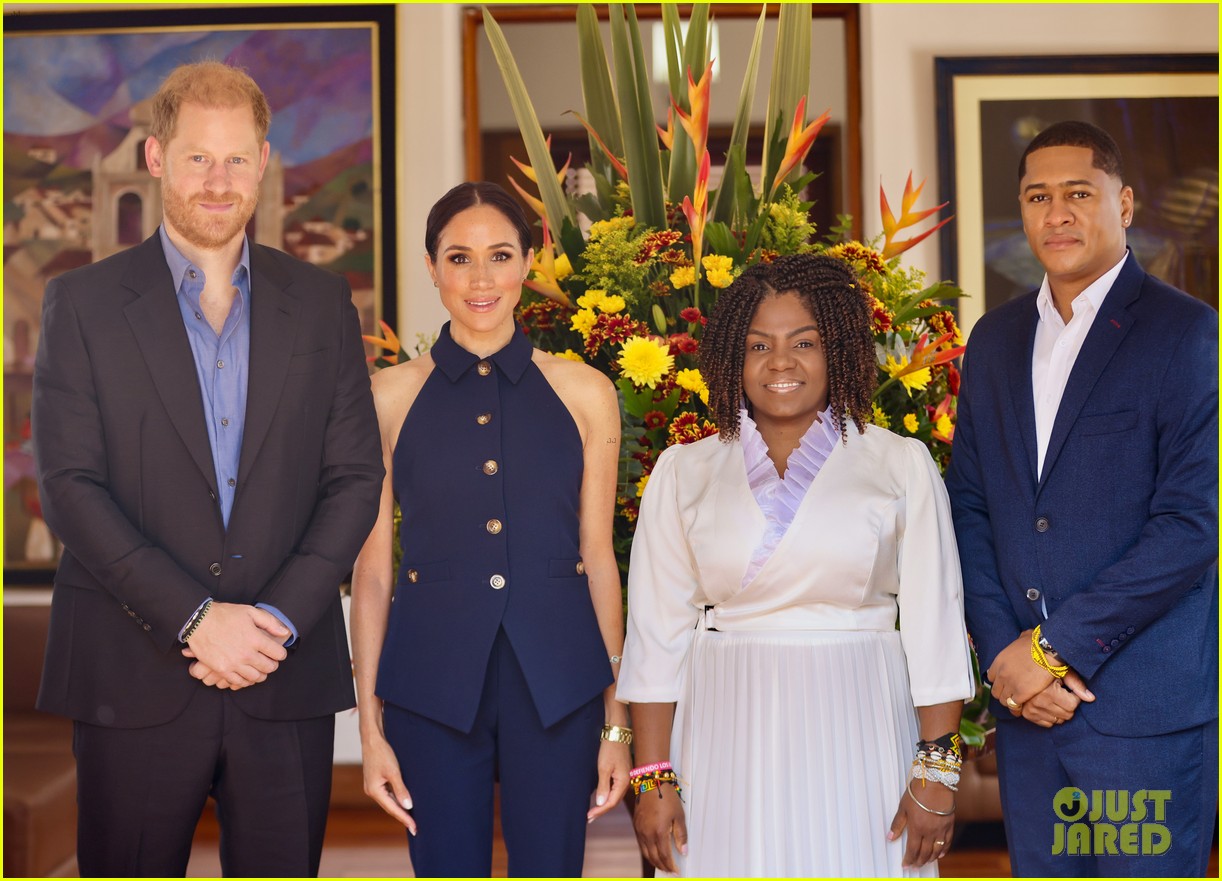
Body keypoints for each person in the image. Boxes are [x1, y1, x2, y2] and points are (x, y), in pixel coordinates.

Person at [30, 61, 384, 876]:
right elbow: (72, 490)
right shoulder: (80, 305)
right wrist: (198, 618)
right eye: (197, 158)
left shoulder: (324, 303)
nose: (217, 181)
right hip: (132, 674)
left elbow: (355, 478)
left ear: (263, 161)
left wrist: (274, 623)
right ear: (156, 159)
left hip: (281, 672)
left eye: (236, 159)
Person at [617, 254, 976, 876]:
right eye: (759, 345)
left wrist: (936, 771)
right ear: (734, 357)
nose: (781, 362)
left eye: (803, 342)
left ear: (837, 349)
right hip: (723, 731)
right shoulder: (684, 470)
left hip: (861, 723)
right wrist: (652, 777)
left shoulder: (900, 463)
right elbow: (655, 636)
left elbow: (936, 631)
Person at [945, 120, 1218, 876]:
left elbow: (1191, 527)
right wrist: (1009, 656)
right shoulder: (993, 341)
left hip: (1141, 716)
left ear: (1123, 203)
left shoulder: (1187, 333)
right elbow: (969, 504)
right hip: (1029, 716)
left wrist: (1049, 649)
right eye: (1037, 196)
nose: (1056, 213)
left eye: (1077, 193)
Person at [349, 181, 631, 877]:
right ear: (431, 266)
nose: (481, 279)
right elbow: (374, 571)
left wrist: (616, 722)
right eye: (459, 258)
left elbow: (598, 556)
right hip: (429, 685)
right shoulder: (387, 396)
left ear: (529, 263)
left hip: (559, 686)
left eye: (500, 255)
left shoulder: (585, 391)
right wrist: (368, 725)